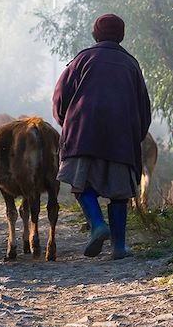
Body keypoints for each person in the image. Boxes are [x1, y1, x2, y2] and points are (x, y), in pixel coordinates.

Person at [52, 13, 151, 259]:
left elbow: (60, 98)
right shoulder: (132, 65)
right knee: (119, 193)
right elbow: (143, 108)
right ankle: (119, 247)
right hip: (121, 139)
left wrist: (69, 126)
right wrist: (133, 137)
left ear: (95, 34)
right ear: (121, 35)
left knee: (81, 184)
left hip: (83, 134)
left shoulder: (82, 59)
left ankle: (97, 225)